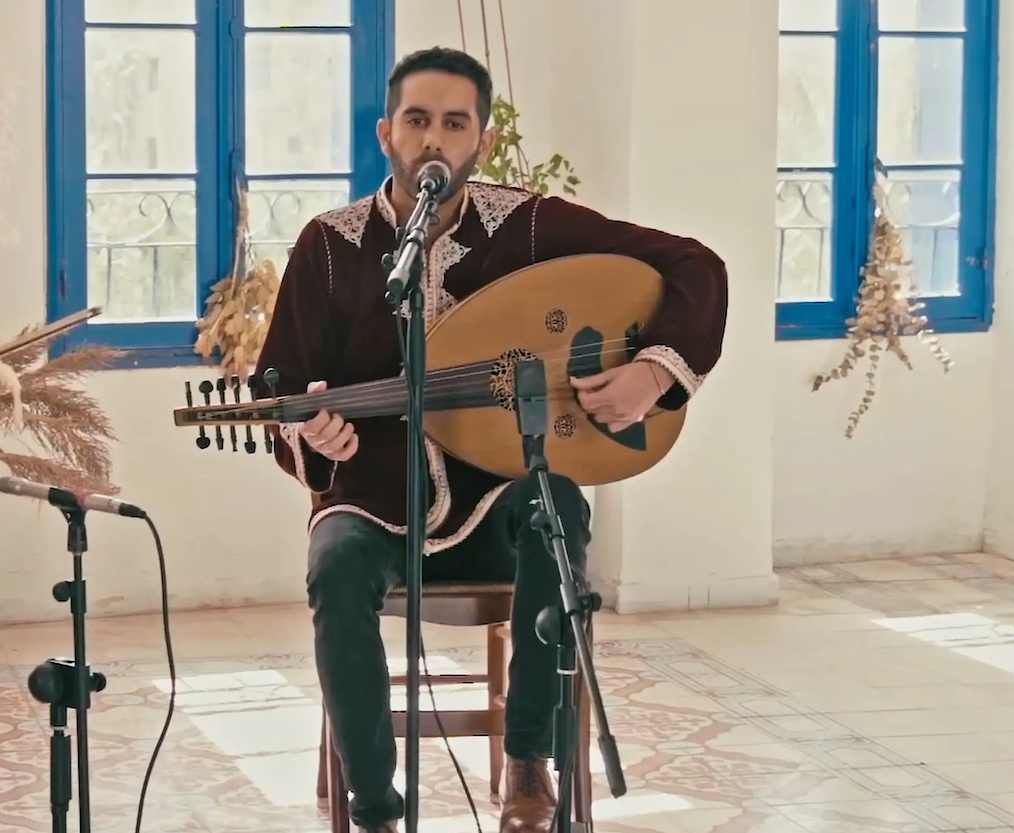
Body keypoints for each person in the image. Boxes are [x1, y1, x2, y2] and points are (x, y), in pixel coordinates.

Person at [257, 47, 728, 833]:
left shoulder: (533, 226)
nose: (433, 141)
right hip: (374, 505)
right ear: (385, 133)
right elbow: (279, 387)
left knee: (559, 508)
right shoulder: (330, 245)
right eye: (417, 121)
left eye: (453, 122)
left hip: (498, 498)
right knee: (333, 563)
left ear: (483, 139)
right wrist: (313, 430)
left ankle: (527, 761)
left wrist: (653, 371)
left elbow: (694, 265)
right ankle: (374, 807)